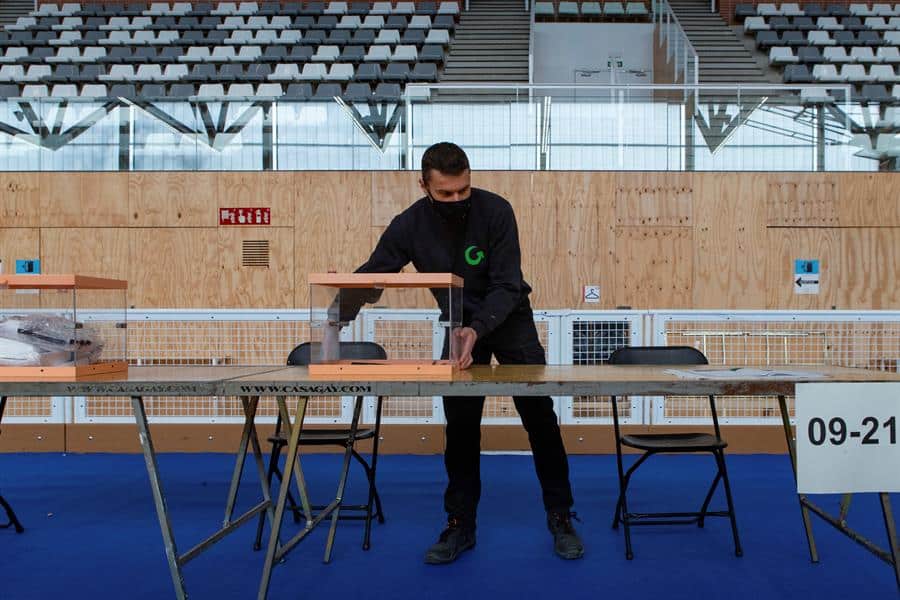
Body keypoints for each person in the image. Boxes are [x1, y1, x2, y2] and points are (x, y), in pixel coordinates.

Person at [355, 142, 583, 563]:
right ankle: (460, 523)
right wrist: (341, 304)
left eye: (463, 190)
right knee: (460, 428)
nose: (457, 200)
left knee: (540, 420)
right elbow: (376, 272)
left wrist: (478, 329)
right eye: (445, 193)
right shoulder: (408, 226)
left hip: (509, 318)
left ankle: (560, 515)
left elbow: (507, 283)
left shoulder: (496, 211)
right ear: (423, 185)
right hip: (458, 322)